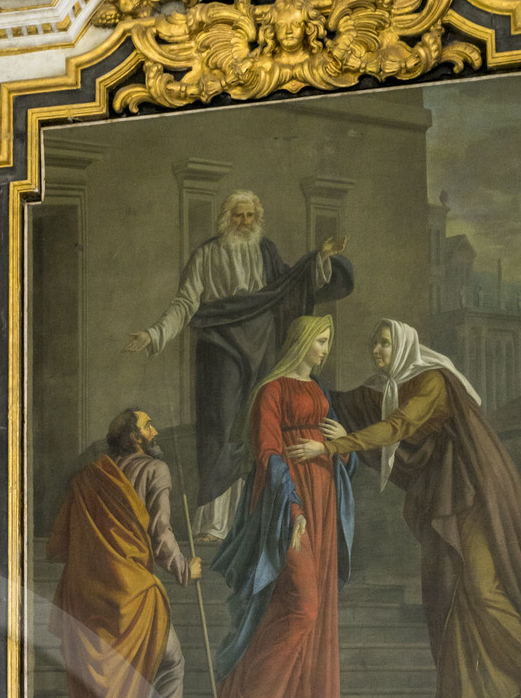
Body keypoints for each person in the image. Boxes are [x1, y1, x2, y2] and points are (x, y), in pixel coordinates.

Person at [297, 317, 521, 698]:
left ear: (404, 345)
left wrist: (334, 446)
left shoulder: (430, 380)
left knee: (482, 587)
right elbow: (347, 402)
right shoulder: (387, 388)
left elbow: (399, 426)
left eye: (385, 343)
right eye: (374, 345)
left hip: (472, 490)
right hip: (443, 492)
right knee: (445, 589)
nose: (378, 351)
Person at [124, 190, 353, 542]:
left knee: (258, 426)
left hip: (263, 344)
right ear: (226, 218)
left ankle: (254, 519)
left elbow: (291, 285)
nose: (243, 223)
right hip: (220, 346)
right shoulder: (206, 254)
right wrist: (154, 334)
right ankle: (215, 524)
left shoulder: (266, 251)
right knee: (221, 426)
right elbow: (185, 303)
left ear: (256, 218)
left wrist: (320, 258)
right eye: (237, 216)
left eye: (249, 216)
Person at [46, 406, 200, 698]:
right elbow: (160, 532)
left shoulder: (86, 479)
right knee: (170, 665)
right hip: (133, 595)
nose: (154, 429)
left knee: (94, 687)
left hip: (87, 598)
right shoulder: (156, 471)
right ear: (135, 437)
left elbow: (58, 545)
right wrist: (186, 568)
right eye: (148, 425)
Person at [211, 314, 353, 698]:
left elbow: (340, 454)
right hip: (287, 506)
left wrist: (341, 444)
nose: (325, 349)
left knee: (315, 605)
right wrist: (292, 507)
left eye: (329, 340)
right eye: (320, 340)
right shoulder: (270, 391)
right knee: (302, 603)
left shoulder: (320, 391)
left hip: (324, 500)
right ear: (301, 340)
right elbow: (269, 453)